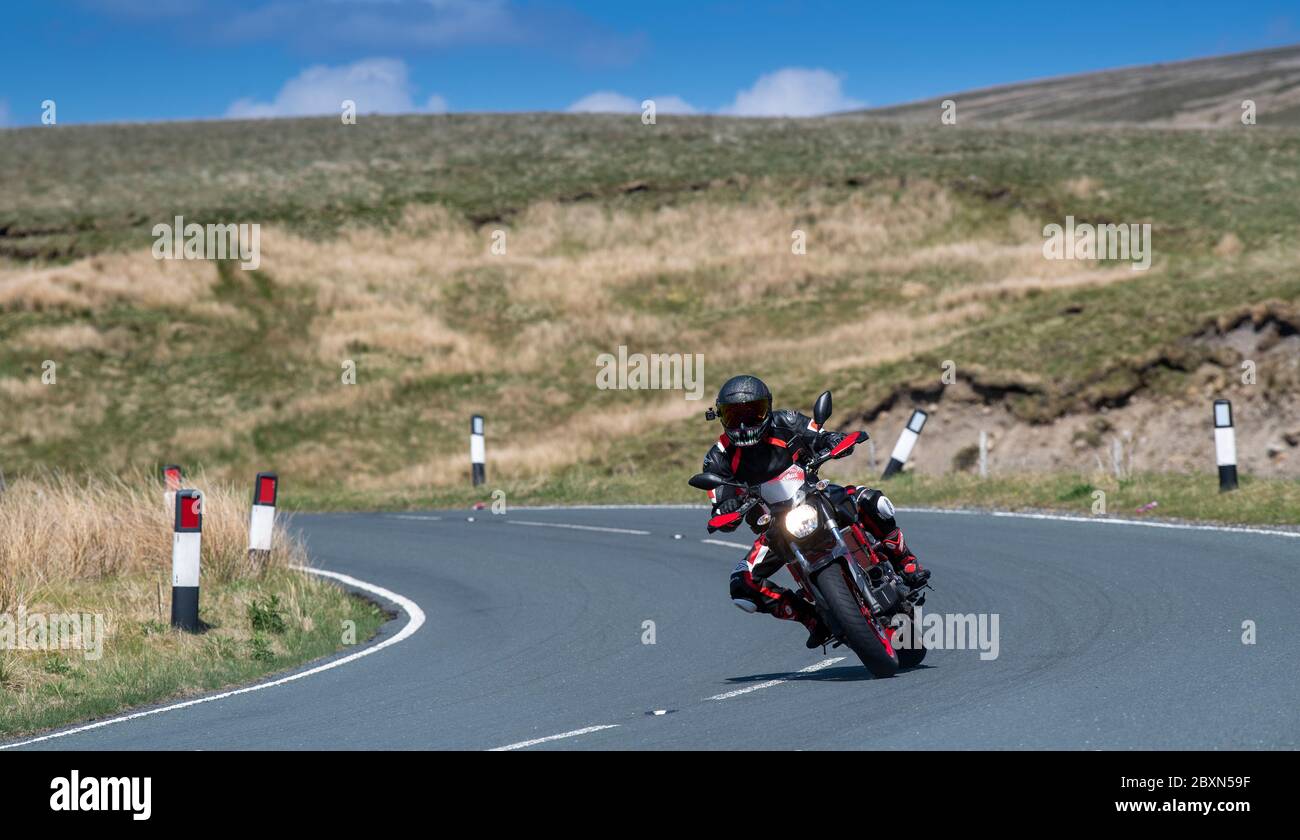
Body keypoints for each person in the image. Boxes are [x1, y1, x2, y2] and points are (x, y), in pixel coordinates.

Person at [700, 374, 929, 648]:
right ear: (721, 416)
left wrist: (832, 441)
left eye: (753, 413)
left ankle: (905, 561)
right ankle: (812, 619)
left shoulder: (786, 421)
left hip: (814, 497)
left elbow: (818, 435)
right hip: (774, 527)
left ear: (768, 409)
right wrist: (726, 507)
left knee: (871, 500)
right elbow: (720, 503)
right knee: (742, 584)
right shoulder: (718, 457)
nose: (744, 423)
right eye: (734, 415)